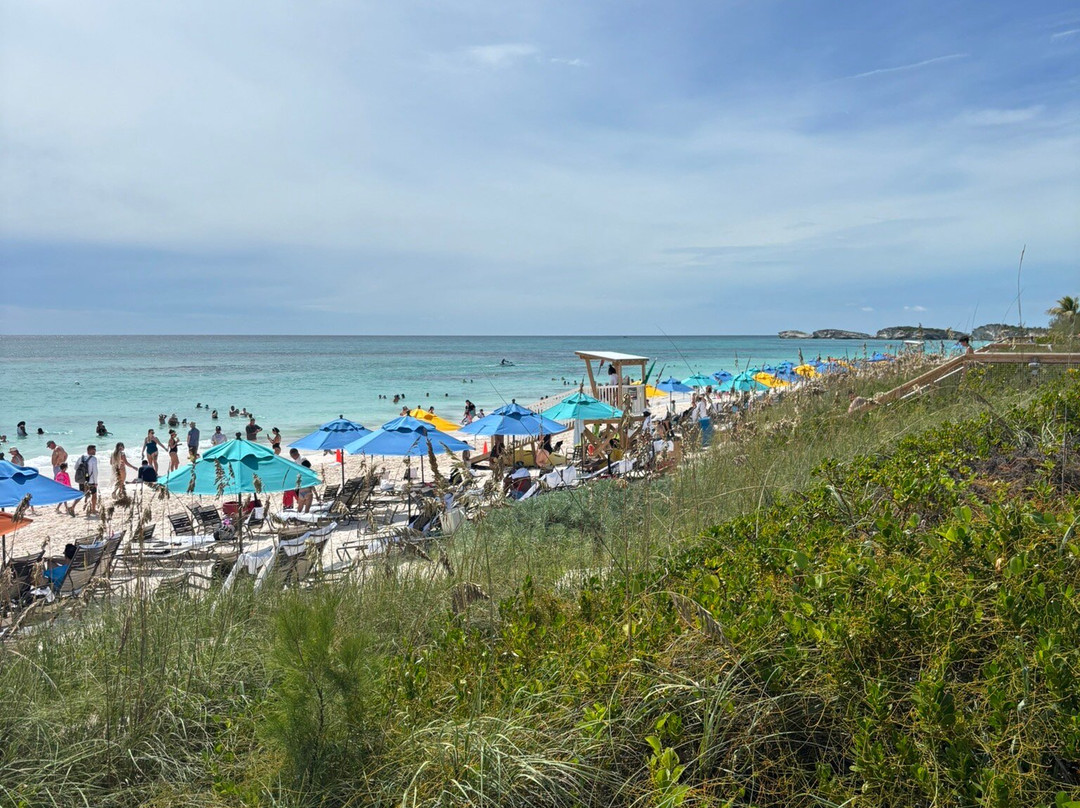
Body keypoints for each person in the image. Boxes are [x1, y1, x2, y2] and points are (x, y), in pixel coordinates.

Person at [79, 445, 99, 515]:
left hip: (82, 480)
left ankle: (72, 506)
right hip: (91, 481)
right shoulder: (94, 459)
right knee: (94, 495)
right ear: (89, 450)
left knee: (82, 494)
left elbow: (76, 468)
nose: (95, 451)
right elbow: (95, 471)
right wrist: (96, 482)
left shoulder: (81, 457)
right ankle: (93, 510)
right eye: (94, 449)